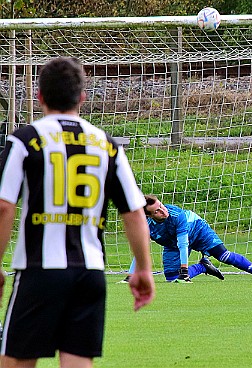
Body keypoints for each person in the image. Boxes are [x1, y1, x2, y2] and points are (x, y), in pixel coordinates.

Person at [0, 57, 155, 368]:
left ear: (39, 96)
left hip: (39, 271)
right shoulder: (108, 146)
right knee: (78, 363)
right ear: (82, 98)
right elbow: (135, 213)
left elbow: (4, 205)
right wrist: (144, 269)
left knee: (16, 361)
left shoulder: (24, 139)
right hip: (89, 273)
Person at [124, 194, 252, 283]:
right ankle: (204, 266)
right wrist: (131, 276)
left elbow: (184, 244)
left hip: (198, 230)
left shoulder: (178, 216)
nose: (163, 211)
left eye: (162, 206)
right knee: (171, 278)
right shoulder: (145, 225)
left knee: (224, 256)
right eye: (157, 211)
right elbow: (141, 248)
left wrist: (184, 269)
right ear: (148, 216)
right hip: (172, 243)